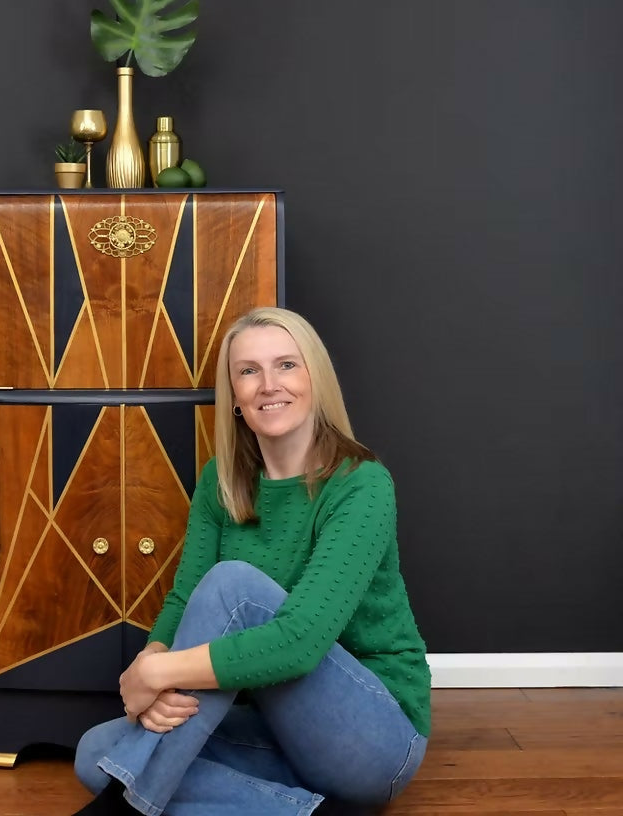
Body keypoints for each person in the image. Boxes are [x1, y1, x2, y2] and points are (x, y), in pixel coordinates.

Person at [71, 307, 431, 816]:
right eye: (248, 370)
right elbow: (182, 600)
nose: (268, 384)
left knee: (235, 587)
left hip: (373, 738)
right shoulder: (222, 482)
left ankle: (124, 809)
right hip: (273, 731)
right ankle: (307, 811)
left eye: (286, 365)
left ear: (315, 379)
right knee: (99, 753)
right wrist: (150, 657)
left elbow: (302, 643)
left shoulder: (360, 483)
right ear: (235, 396)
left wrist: (156, 675)